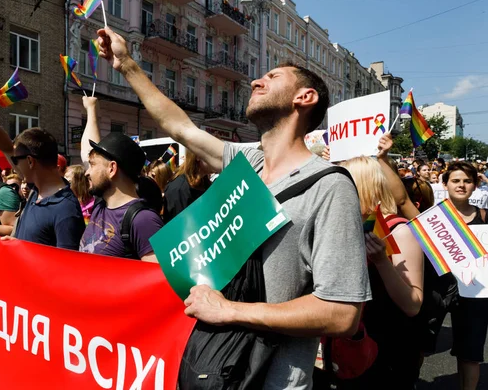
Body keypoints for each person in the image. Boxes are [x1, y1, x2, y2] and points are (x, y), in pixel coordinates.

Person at [96, 26, 370, 388]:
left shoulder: (330, 187)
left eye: (272, 77)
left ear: (305, 97)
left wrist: (229, 311)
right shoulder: (249, 164)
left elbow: (341, 313)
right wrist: (127, 64)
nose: (257, 81)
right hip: (212, 366)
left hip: (270, 379)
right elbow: (181, 128)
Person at [337, 156, 424, 389]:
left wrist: (381, 261)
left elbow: (413, 304)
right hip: (351, 343)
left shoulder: (399, 230)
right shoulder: (346, 225)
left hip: (388, 348)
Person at [0, 101, 84, 250]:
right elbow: (7, 148)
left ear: (30, 161)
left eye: (16, 160)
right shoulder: (36, 189)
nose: (13, 164)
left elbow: (67, 266)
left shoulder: (65, 210)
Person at [79, 96, 162, 261]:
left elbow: (158, 280)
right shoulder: (101, 203)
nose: (87, 172)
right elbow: (86, 152)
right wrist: (91, 109)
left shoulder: (144, 220)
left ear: (112, 169)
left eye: (93, 165)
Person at [442, 162, 488, 390]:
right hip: (439, 289)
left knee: (470, 353)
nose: (461, 185)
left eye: (467, 181)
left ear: (475, 185)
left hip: (474, 291)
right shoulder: (434, 218)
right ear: (445, 184)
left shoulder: (484, 216)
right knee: (418, 346)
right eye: (456, 180)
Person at [162, 149, 212, 223]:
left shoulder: (206, 183)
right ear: (198, 156)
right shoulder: (178, 189)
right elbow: (180, 227)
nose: (218, 159)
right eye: (213, 154)